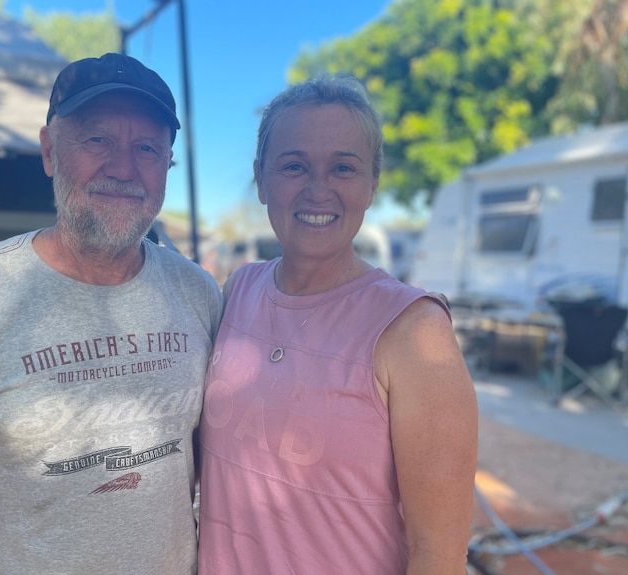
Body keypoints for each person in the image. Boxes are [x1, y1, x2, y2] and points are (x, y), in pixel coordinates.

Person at [0, 52, 223, 575]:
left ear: (167, 165)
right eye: (97, 139)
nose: (124, 168)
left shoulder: (197, 293)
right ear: (50, 151)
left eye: (147, 147)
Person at [197, 75, 478, 574]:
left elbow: (438, 556)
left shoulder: (413, 331)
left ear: (372, 185)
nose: (318, 189)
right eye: (294, 165)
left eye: (343, 168)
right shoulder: (238, 290)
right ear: (261, 179)